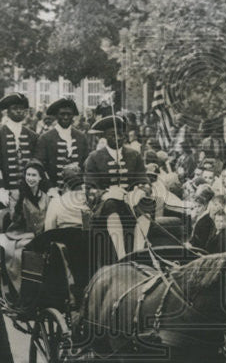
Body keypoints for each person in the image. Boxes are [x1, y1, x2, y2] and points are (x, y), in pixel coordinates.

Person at [83, 115, 151, 263]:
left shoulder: (134, 155)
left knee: (147, 203)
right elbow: (90, 190)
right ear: (105, 137)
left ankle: (138, 252)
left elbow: (144, 181)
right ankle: (122, 256)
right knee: (111, 204)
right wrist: (107, 194)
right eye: (112, 135)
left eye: (120, 134)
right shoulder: (94, 158)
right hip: (105, 209)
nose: (118, 138)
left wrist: (139, 191)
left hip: (130, 205)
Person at [0, 93, 39, 208]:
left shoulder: (32, 136)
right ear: (8, 111)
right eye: (15, 108)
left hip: (28, 193)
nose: (19, 111)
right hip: (6, 192)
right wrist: (0, 189)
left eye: (22, 109)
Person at [35, 98, 89, 195]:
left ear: (73, 116)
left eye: (69, 114)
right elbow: (40, 167)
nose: (65, 117)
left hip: (77, 192)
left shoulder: (81, 137)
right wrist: (49, 188)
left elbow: (86, 165)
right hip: (54, 191)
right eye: (62, 114)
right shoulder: (45, 138)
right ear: (56, 115)